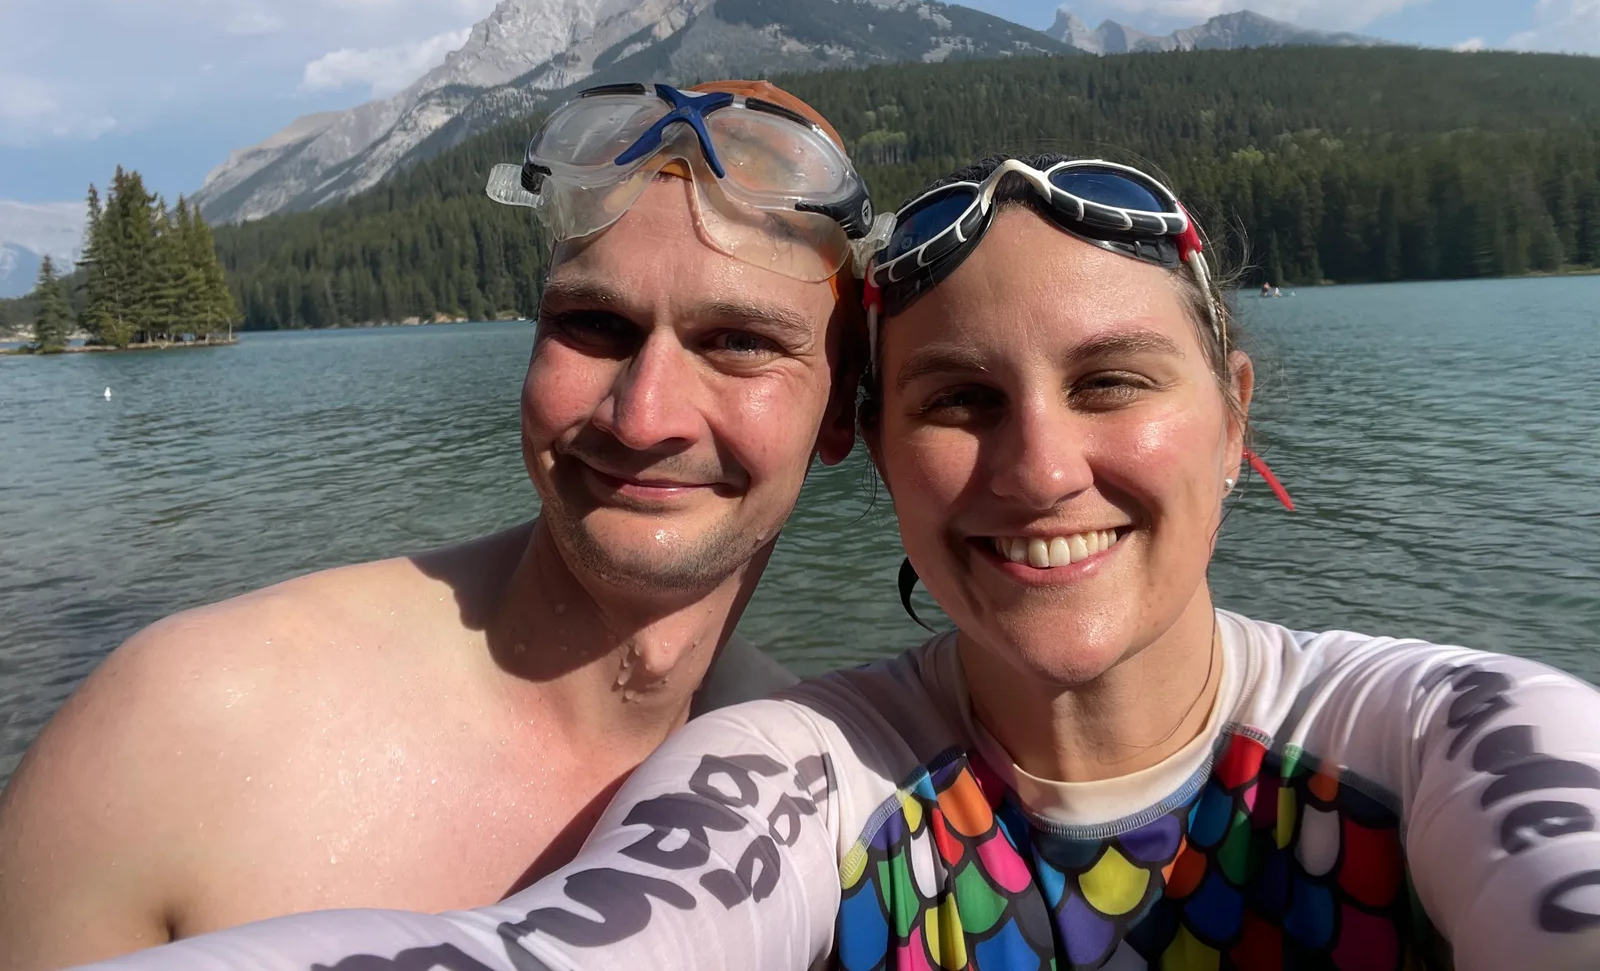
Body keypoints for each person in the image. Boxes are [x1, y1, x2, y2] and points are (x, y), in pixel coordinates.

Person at [73, 154, 1600, 970]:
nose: (1040, 467)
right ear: (875, 442)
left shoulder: (1443, 732)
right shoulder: (795, 774)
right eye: (959, 401)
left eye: (1115, 381)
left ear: (1234, 410)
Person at [0, 81, 874, 971]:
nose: (642, 416)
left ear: (841, 412)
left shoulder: (828, 789)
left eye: (739, 342)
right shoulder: (181, 730)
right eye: (593, 324)